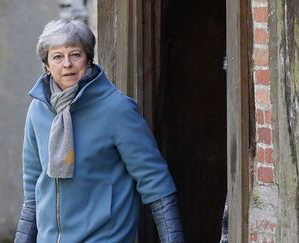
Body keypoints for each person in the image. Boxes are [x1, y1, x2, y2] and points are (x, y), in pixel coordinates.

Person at [14, 19, 185, 243]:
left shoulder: (117, 109)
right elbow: (33, 190)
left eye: (75, 54)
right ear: (46, 64)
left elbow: (156, 183)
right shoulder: (38, 110)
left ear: (88, 58)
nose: (67, 64)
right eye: (57, 56)